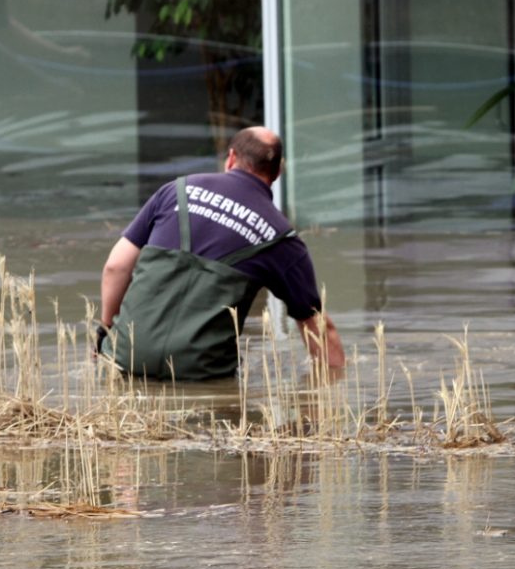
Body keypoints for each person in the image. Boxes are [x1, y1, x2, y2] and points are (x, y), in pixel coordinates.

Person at [97, 126, 345, 380]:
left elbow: (116, 267)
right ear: (277, 173)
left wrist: (106, 332)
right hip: (201, 373)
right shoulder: (282, 238)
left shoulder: (177, 191)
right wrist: (332, 392)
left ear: (230, 157)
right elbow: (317, 327)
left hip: (126, 355)